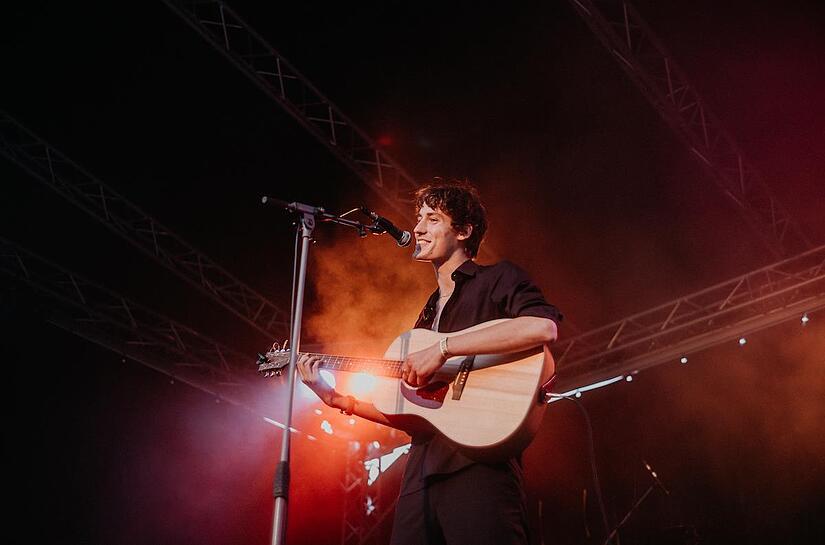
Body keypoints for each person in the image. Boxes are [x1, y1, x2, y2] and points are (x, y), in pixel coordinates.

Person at [297, 179, 562, 545]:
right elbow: (411, 412)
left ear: (464, 231)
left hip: (480, 464)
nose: (417, 227)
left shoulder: (498, 279)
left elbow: (542, 327)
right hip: (420, 471)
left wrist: (444, 349)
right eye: (419, 217)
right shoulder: (424, 318)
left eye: (432, 218)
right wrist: (334, 398)